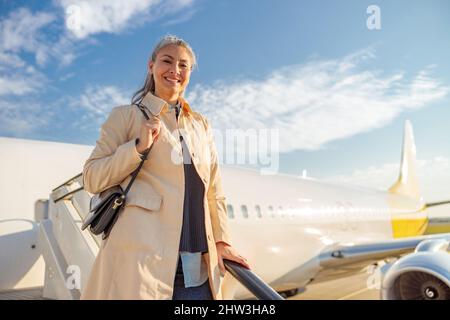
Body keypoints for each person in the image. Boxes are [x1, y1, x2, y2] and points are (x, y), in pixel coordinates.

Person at [81, 34, 250, 300]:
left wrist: (222, 242)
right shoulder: (126, 116)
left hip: (198, 272)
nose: (175, 70)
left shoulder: (201, 125)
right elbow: (91, 178)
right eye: (167, 61)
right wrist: (136, 147)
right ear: (152, 66)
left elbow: (214, 193)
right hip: (141, 266)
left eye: (184, 65)